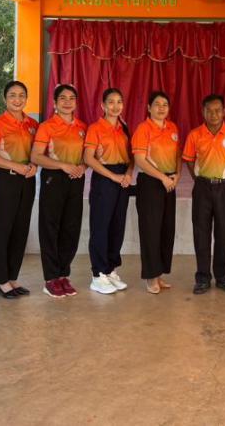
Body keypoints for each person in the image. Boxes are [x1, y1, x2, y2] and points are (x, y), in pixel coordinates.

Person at [183, 94, 225, 295]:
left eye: (218, 110)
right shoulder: (195, 135)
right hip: (202, 187)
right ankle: (202, 278)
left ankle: (223, 277)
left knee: (222, 233)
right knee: (201, 233)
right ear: (203, 112)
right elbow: (188, 160)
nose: (214, 114)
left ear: (224, 111)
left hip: (224, 188)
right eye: (209, 110)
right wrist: (200, 179)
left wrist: (223, 177)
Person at [0, 81, 39, 299]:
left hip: (27, 181)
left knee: (20, 230)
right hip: (6, 180)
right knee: (2, 230)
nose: (17, 99)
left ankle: (12, 278)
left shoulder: (32, 124)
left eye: (21, 95)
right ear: (5, 98)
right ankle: (1, 280)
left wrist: (34, 166)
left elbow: (37, 153)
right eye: (12, 95)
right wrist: (15, 166)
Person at [31, 84, 87, 299]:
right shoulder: (47, 127)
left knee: (71, 228)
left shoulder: (82, 127)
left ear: (76, 103)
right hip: (53, 179)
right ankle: (51, 278)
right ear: (54, 103)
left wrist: (83, 167)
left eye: (71, 98)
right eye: (62, 98)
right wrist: (62, 165)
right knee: (50, 227)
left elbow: (87, 156)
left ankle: (63, 274)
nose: (67, 102)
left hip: (76, 180)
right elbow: (36, 156)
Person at [83, 88, 133, 295]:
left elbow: (131, 157)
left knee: (117, 226)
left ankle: (110, 269)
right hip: (105, 179)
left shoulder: (124, 127)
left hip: (123, 179)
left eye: (119, 101)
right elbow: (88, 158)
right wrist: (113, 176)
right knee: (100, 227)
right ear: (103, 105)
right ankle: (98, 274)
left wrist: (128, 174)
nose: (115, 106)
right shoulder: (95, 128)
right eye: (111, 102)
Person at [132, 91, 181, 294]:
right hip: (151, 183)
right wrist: (162, 177)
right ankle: (150, 276)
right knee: (150, 231)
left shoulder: (173, 128)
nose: (161, 108)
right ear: (149, 108)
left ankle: (159, 274)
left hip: (169, 182)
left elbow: (178, 154)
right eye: (157, 104)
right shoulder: (143, 129)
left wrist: (177, 175)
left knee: (166, 230)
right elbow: (140, 160)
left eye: (165, 104)